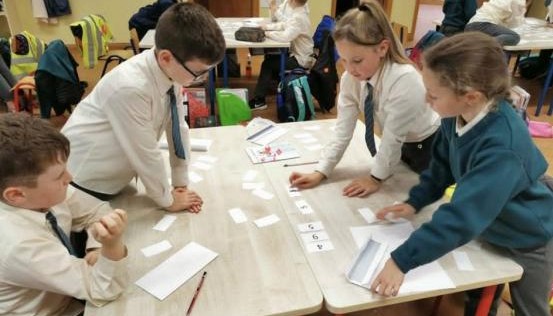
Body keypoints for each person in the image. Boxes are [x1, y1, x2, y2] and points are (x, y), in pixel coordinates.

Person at [371, 33, 553, 316]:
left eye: (432, 95)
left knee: (532, 310)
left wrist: (401, 261)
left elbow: (462, 216)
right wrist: (415, 202)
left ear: (471, 97)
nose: (426, 100)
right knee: (479, 295)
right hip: (488, 222)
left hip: (527, 235)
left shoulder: (502, 145)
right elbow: (442, 166)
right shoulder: (455, 115)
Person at [62, 3, 225, 212]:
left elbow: (177, 127)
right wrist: (167, 200)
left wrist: (180, 182)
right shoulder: (130, 87)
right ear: (166, 57)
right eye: (198, 72)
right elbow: (146, 152)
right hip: (84, 184)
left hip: (117, 177)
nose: (201, 78)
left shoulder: (170, 70)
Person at [289, 1, 440, 198]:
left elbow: (392, 139)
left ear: (383, 48)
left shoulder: (405, 80)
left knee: (421, 198)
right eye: (343, 59)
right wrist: (322, 171)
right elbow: (342, 131)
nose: (350, 69)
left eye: (357, 60)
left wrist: (375, 178)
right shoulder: (351, 79)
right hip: (401, 143)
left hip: (430, 145)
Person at [0, 113, 129, 315]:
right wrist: (111, 246)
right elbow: (102, 289)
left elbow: (96, 210)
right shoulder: (18, 244)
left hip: (71, 296)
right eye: (59, 176)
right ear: (16, 194)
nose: (70, 178)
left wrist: (95, 249)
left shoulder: (39, 193)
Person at [248, 0, 314, 110]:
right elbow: (285, 24)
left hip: (301, 60)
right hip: (299, 54)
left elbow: (285, 37)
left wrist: (267, 34)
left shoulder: (299, 17)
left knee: (267, 64)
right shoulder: (299, 13)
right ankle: (271, 85)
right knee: (271, 57)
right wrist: (267, 28)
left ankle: (259, 101)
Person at [464, 0, 533, 45]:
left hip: (472, 25)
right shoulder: (519, 1)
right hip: (483, 24)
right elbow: (514, 23)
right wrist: (524, 8)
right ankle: (484, 45)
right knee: (514, 37)